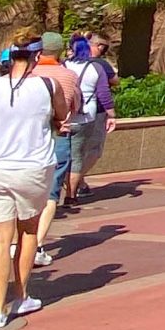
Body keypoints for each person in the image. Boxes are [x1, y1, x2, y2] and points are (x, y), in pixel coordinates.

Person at [0, 38, 63, 329]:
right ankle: (21, 295)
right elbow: (63, 114)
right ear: (36, 56)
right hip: (32, 168)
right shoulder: (48, 86)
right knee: (28, 231)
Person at [29, 33, 84, 266]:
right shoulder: (69, 75)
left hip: (30, 139)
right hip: (58, 136)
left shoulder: (29, 74)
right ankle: (38, 245)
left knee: (26, 192)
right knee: (51, 194)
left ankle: (16, 243)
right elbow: (75, 105)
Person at [63, 32, 115, 209]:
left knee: (62, 154)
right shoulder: (96, 68)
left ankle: (55, 190)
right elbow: (104, 93)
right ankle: (71, 195)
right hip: (86, 117)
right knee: (77, 156)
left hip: (63, 117)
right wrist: (112, 115)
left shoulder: (63, 66)